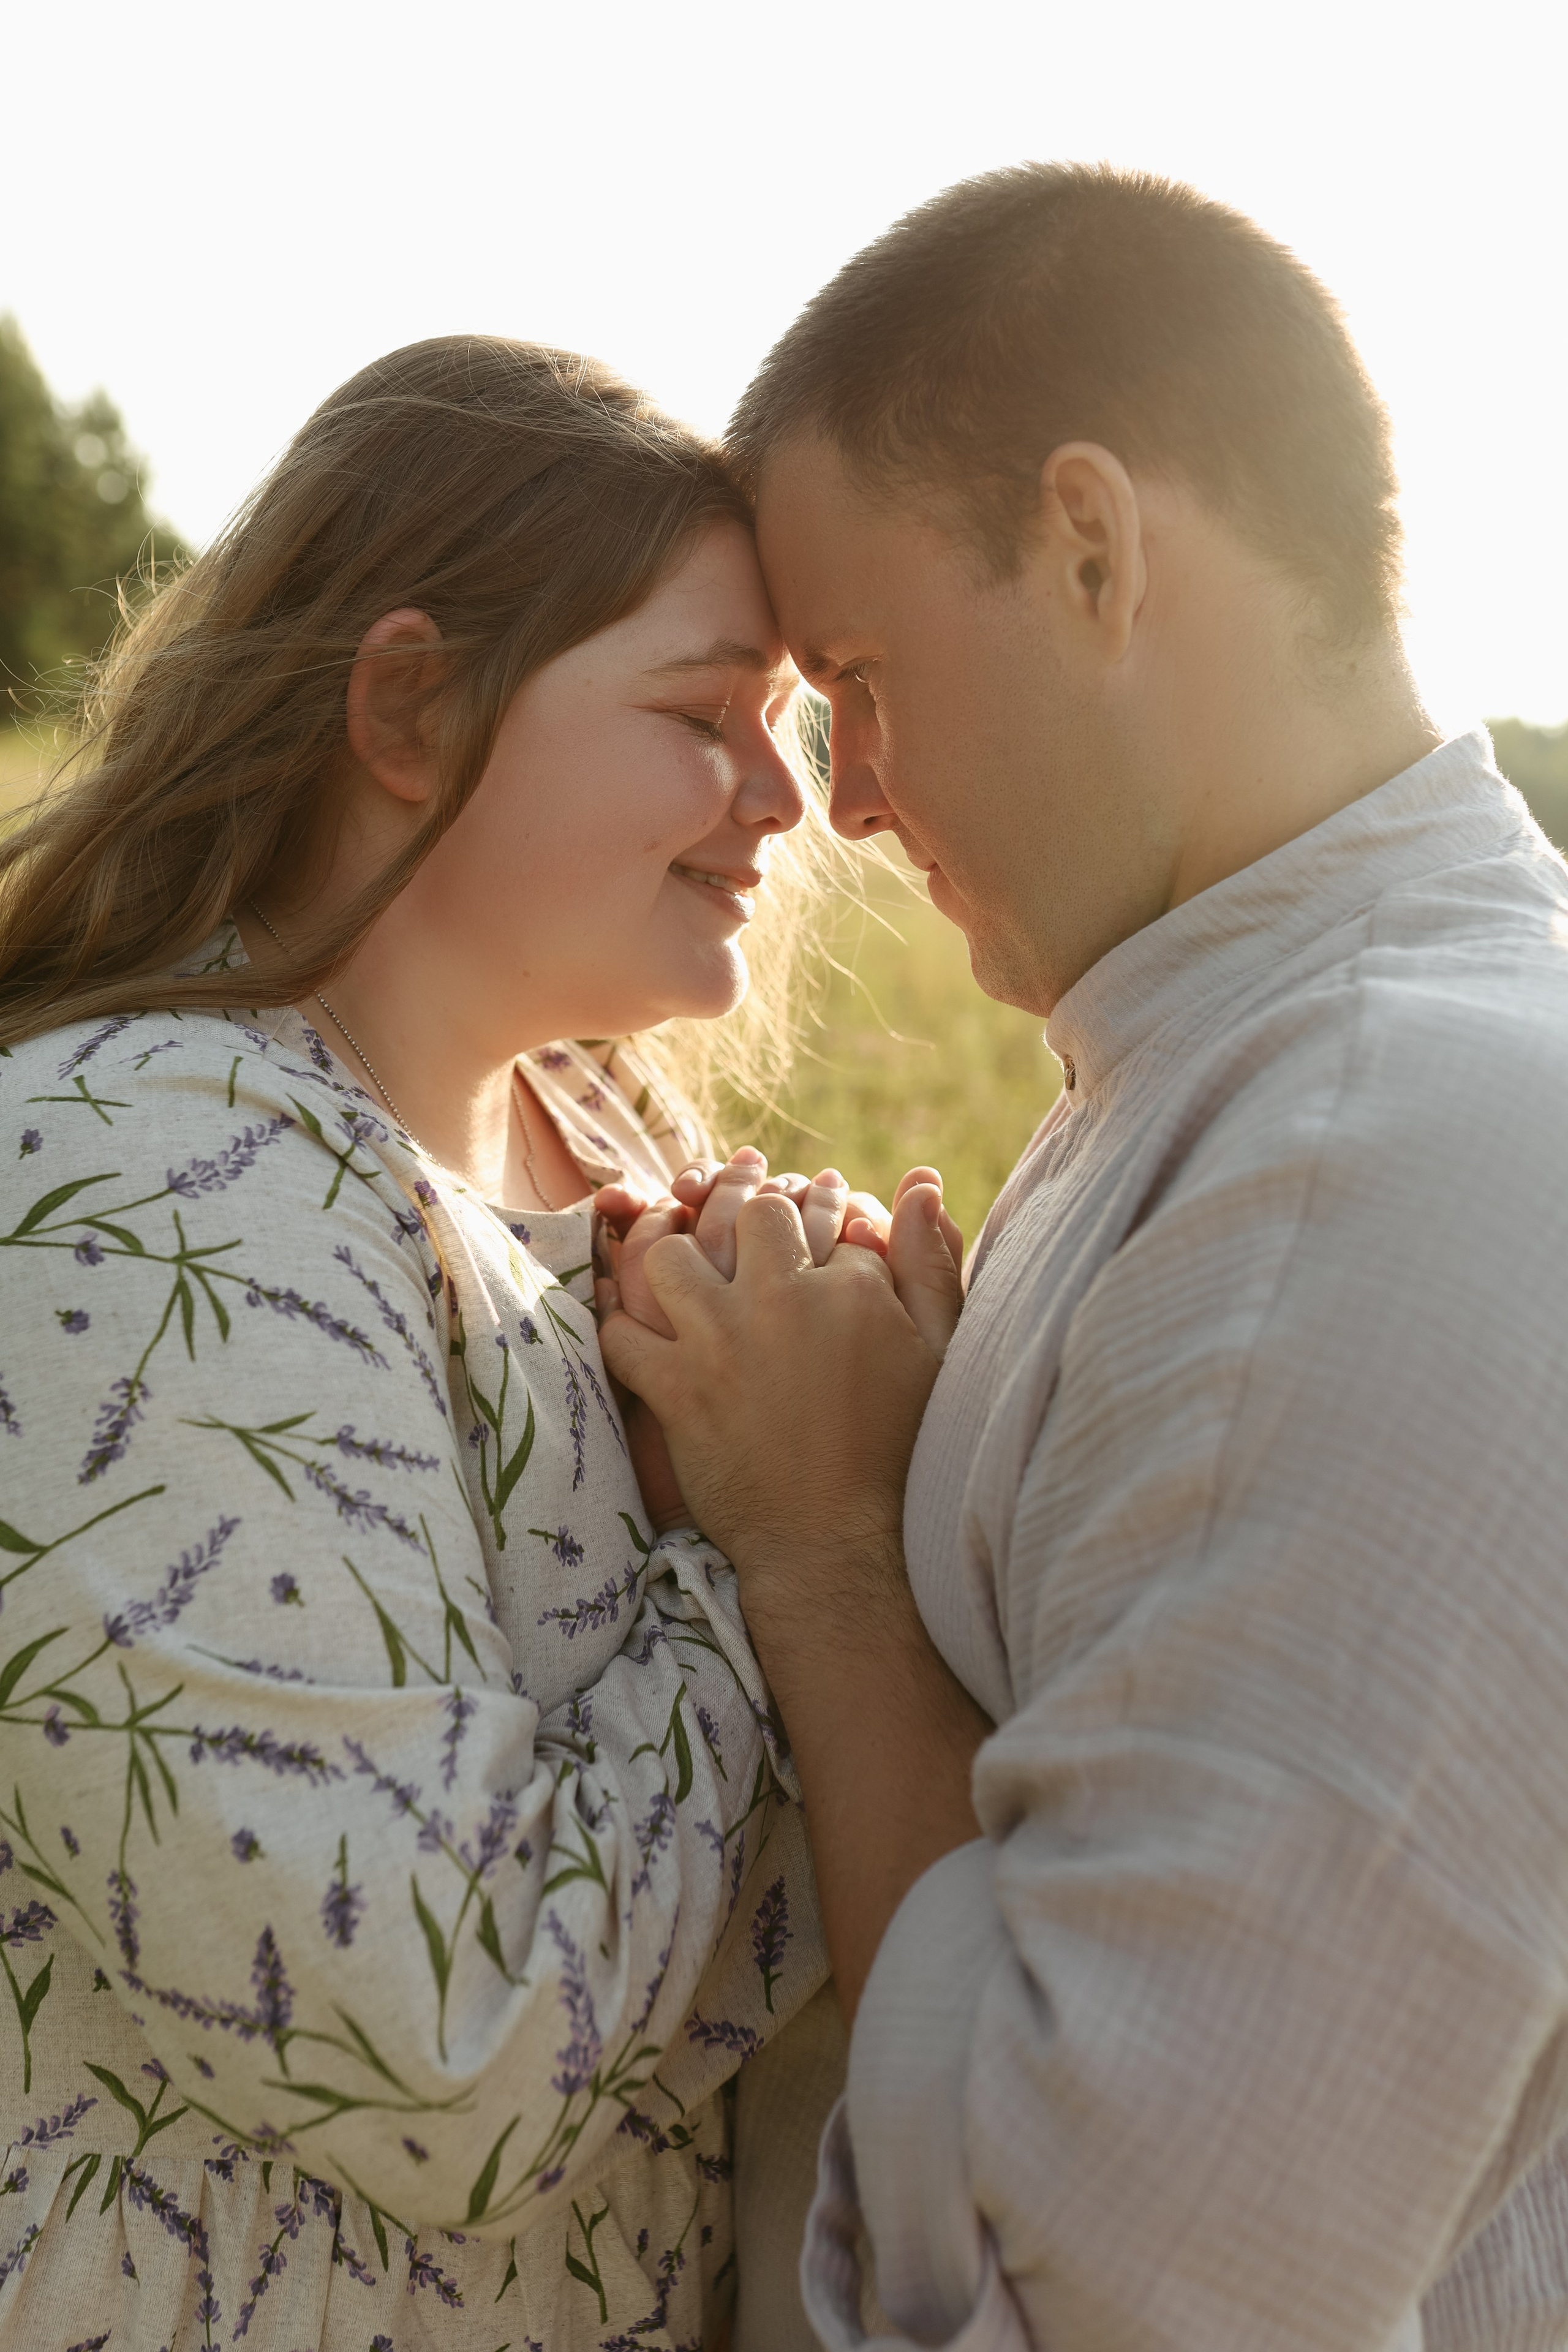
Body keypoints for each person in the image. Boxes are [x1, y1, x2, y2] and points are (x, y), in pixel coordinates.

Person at [600, 166, 1568, 2351]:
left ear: (1095, 551)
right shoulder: (1234, 1070)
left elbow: (1103, 2286)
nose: (836, 798)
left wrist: (838, 1551)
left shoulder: (1378, 1154)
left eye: (857, 674)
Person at [0, 334, 889, 2348]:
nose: (786, 802)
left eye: (789, 726)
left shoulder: (611, 1137)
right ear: (409, 705)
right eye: (703, 715)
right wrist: (795, 1528)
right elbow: (455, 2051)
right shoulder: (149, 1183)